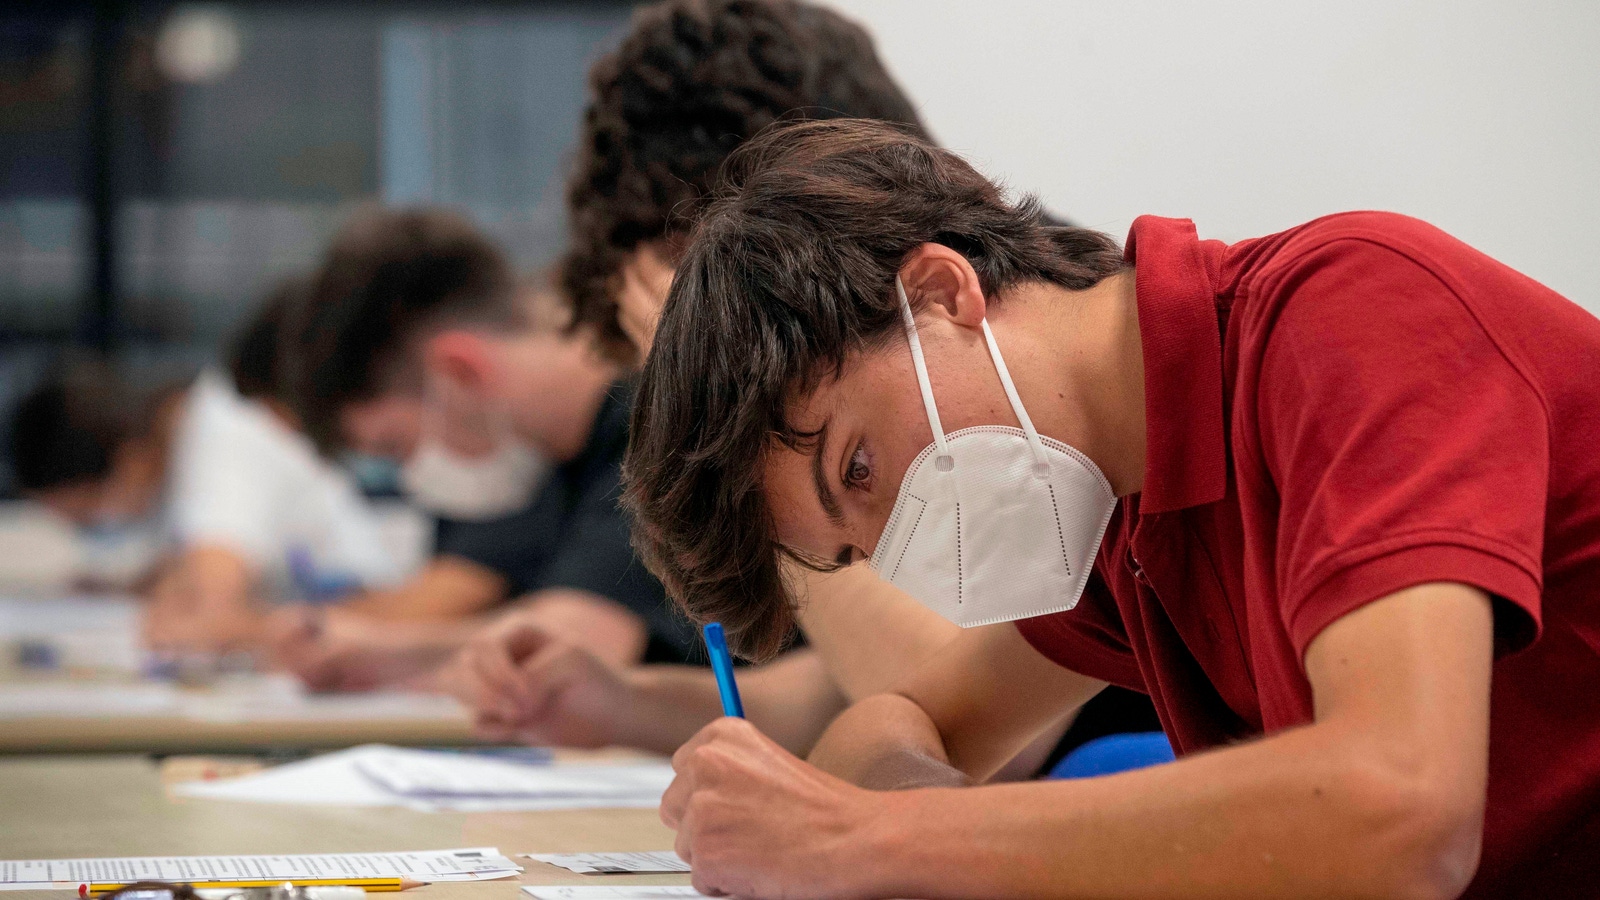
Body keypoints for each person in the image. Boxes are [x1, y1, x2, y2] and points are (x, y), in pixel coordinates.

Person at [624, 119, 1600, 899]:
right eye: (853, 548)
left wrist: (867, 837)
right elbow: (901, 719)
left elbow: (1402, 814)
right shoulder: (1115, 515)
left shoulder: (1355, 310)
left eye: (861, 469)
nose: (897, 544)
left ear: (939, 291)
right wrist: (870, 829)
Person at [441, 0, 1160, 764]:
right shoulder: (971, 374)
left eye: (704, 325)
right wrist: (628, 705)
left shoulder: (1063, 370)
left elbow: (980, 734)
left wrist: (736, 422)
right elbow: (910, 696)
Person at [270, 206, 694, 691]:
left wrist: (372, 648)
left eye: (396, 446)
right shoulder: (551, 468)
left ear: (460, 368)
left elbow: (580, 644)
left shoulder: (661, 425)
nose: (411, 476)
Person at [9, 287, 402, 652]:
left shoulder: (221, 432)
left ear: (131, 462)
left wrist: (202, 619)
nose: (101, 526)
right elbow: (189, 573)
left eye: (90, 515)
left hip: (371, 626)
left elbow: (211, 610)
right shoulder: (190, 439)